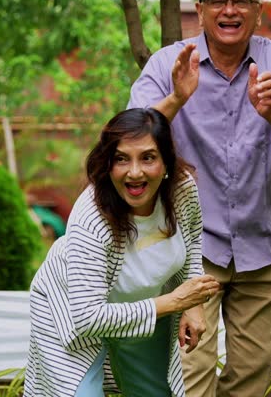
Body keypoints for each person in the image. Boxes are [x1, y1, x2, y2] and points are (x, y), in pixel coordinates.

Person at [128, 0, 271, 396]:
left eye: (242, 2)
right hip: (189, 252)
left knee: (249, 385)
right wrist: (176, 98)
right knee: (191, 383)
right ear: (200, 11)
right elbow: (129, 137)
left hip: (264, 249)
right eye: (219, 1)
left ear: (258, 12)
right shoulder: (169, 62)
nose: (230, 10)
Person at [25, 108, 220, 397]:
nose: (135, 172)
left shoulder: (181, 191)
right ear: (108, 165)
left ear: (166, 162)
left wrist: (194, 306)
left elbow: (190, 244)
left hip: (145, 303)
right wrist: (175, 301)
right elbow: (88, 318)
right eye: (121, 159)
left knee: (155, 393)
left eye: (148, 157)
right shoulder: (91, 218)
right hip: (73, 315)